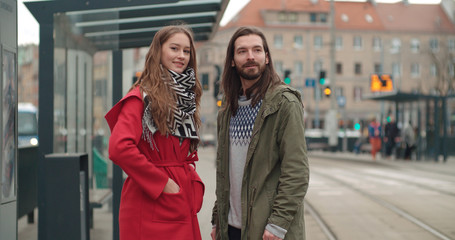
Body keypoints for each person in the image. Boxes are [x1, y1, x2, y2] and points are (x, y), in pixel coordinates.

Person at [105, 25, 204, 240]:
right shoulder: (141, 96)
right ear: (158, 51)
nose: (181, 56)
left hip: (178, 199)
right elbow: (119, 148)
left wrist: (189, 180)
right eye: (174, 48)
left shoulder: (184, 97)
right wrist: (162, 183)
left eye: (186, 51)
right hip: (150, 202)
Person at [210, 26, 309, 240]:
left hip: (267, 230)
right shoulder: (227, 109)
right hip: (231, 228)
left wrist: (277, 225)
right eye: (242, 51)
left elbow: (297, 172)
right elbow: (224, 172)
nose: (250, 57)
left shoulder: (285, 103)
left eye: (257, 50)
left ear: (267, 58)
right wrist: (218, 219)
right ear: (233, 61)